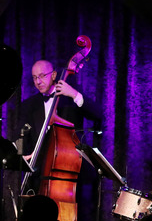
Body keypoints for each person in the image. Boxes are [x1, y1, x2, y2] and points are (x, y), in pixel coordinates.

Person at [18, 59, 101, 194]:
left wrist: (74, 94)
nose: (38, 82)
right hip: (40, 176)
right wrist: (22, 154)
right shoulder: (28, 106)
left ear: (54, 75)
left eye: (42, 76)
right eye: (34, 78)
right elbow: (20, 135)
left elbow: (98, 114)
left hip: (71, 173)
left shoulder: (70, 97)